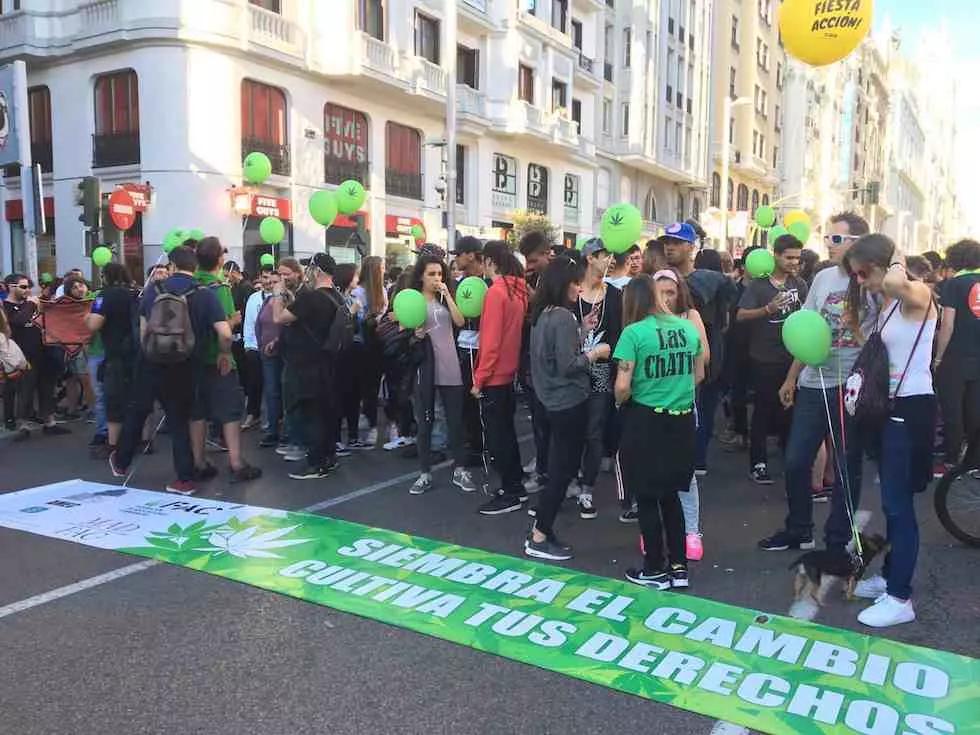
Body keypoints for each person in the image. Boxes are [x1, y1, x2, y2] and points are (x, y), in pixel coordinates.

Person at [758, 212, 876, 553]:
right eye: (827, 238)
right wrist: (792, 377)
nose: (828, 244)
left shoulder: (872, 283)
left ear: (858, 243)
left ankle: (838, 539)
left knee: (846, 464)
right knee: (796, 460)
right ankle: (799, 529)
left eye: (836, 239)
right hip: (813, 381)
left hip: (850, 385)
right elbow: (807, 330)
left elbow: (880, 341)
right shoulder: (823, 278)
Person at [841, 235, 937, 627]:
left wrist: (896, 256)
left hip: (911, 408)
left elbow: (898, 282)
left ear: (886, 264)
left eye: (864, 272)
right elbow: (890, 353)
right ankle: (889, 579)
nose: (861, 282)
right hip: (890, 408)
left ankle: (900, 598)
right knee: (891, 503)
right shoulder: (889, 303)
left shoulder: (915, 293)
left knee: (899, 505)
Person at [110, 246, 231, 495]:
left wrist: (149, 352)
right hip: (186, 363)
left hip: (151, 361)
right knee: (179, 420)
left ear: (172, 265)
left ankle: (121, 462)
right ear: (195, 267)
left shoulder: (154, 290)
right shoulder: (205, 294)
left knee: (138, 410)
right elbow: (225, 333)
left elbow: (143, 329)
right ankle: (184, 479)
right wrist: (223, 352)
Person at [615, 274, 704, 589]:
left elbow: (623, 386)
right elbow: (699, 373)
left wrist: (623, 399)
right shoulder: (686, 329)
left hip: (646, 420)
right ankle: (679, 567)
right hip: (681, 421)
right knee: (672, 495)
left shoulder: (633, 333)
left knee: (647, 496)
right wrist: (674, 390)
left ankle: (654, 567)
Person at [526, 256, 609, 559]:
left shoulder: (544, 315)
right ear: (562, 284)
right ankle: (539, 534)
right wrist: (595, 353)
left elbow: (553, 355)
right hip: (568, 402)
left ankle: (543, 530)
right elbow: (568, 364)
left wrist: (583, 331)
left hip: (551, 402)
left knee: (559, 469)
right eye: (575, 282)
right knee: (563, 471)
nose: (578, 288)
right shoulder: (561, 316)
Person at [663, 222, 737, 476]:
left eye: (676, 242)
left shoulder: (711, 281)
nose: (669, 247)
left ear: (691, 247)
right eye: (667, 242)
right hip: (669, 359)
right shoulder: (659, 280)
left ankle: (697, 461)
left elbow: (726, 316)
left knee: (702, 412)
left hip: (703, 359)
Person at [648, 269, 709, 561]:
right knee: (652, 471)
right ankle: (654, 532)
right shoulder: (645, 322)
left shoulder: (689, 318)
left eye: (670, 292)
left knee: (684, 472)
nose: (666, 298)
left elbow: (703, 360)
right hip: (650, 408)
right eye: (660, 292)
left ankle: (691, 531)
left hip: (683, 406)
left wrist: (677, 388)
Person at [736, 234, 808, 485]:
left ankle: (790, 460)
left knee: (789, 410)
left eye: (797, 258)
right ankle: (758, 462)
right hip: (764, 357)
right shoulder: (759, 285)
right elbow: (741, 315)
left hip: (793, 357)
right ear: (776, 255)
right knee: (763, 410)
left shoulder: (799, 284)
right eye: (789, 257)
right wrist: (768, 309)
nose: (793, 263)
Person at [404, 254, 477, 495]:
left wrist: (447, 294)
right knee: (425, 423)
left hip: (450, 365)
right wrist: (415, 336)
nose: (437, 278)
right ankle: (425, 473)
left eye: (439, 273)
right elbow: (405, 334)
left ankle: (460, 469)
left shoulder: (445, 298)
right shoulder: (413, 301)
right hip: (426, 367)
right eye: (431, 274)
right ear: (421, 277)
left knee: (455, 421)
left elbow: (459, 321)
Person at [190, 238, 261, 483]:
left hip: (189, 358)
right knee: (230, 411)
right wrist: (226, 345)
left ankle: (198, 461)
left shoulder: (188, 284)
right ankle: (236, 461)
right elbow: (225, 329)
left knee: (196, 412)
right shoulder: (220, 289)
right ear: (220, 260)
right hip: (216, 358)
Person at [272, 252, 341, 480]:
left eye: (309, 269)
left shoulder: (311, 298)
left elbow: (279, 318)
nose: (307, 273)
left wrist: (277, 295)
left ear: (317, 271)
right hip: (330, 362)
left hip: (307, 365)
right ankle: (328, 458)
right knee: (326, 413)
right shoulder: (338, 297)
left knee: (311, 414)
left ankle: (316, 463)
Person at [472, 242, 529, 514]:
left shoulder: (496, 293)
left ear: (490, 261)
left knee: (497, 438)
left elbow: (491, 342)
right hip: (508, 373)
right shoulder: (518, 290)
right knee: (506, 434)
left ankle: (511, 491)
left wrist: (478, 379)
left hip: (494, 376)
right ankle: (515, 485)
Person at [568, 238, 622, 519]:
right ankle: (567, 479)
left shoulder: (613, 295)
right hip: (573, 368)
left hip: (601, 370)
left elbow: (620, 335)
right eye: (605, 256)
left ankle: (587, 488)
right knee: (569, 429)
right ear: (590, 258)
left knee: (594, 430)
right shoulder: (572, 292)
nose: (610, 261)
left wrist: (609, 356)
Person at [933, 239, 980, 473]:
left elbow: (947, 325)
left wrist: (938, 357)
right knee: (974, 410)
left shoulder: (954, 284)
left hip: (955, 357)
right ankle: (973, 461)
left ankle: (951, 460)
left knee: (952, 410)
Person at [2, 274, 67, 437]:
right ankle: (23, 426)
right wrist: (31, 304)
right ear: (11, 286)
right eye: (23, 287)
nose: (28, 291)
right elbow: (17, 321)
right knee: (25, 391)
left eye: (29, 287)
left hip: (43, 352)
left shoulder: (32, 304)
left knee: (47, 388)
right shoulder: (6, 306)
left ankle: (49, 422)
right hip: (23, 355)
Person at [84, 263, 139, 453]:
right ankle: (141, 439)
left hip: (115, 353)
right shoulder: (136, 293)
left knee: (113, 398)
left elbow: (94, 324)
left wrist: (87, 317)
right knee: (136, 397)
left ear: (106, 276)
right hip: (138, 352)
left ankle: (114, 444)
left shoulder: (104, 295)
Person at [452, 236, 488, 459]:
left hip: (483, 348)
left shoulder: (489, 283)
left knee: (479, 400)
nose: (456, 259)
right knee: (464, 398)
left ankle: (481, 444)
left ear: (472, 255)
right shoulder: (455, 284)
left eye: (459, 254)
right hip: (461, 347)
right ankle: (471, 442)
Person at [350, 255, 387, 447]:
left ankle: (370, 423)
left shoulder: (381, 291)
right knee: (367, 388)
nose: (384, 270)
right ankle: (369, 424)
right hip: (365, 344)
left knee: (370, 388)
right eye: (381, 267)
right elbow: (352, 315)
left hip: (374, 344)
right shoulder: (360, 292)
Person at [224, 261, 261, 431]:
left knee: (249, 374)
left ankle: (251, 408)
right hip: (237, 336)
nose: (226, 278)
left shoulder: (246, 288)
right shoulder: (231, 288)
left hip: (245, 336)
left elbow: (247, 314)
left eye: (227, 274)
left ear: (234, 272)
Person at [244, 265, 276, 443]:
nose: (267, 282)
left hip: (273, 347)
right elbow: (249, 323)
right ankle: (252, 413)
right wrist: (249, 346)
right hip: (255, 347)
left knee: (273, 388)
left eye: (271, 279)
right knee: (254, 383)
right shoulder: (254, 298)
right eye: (264, 278)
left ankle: (274, 418)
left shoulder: (281, 297)